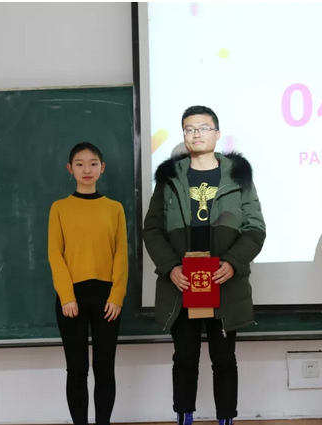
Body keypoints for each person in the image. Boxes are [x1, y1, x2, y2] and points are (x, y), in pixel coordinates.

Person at [143, 105, 266, 425]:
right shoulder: (169, 179)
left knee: (224, 359)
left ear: (217, 133)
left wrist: (233, 262)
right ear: (184, 135)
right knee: (184, 358)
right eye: (189, 129)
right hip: (182, 284)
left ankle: (226, 419)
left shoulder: (238, 176)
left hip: (224, 283)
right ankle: (185, 417)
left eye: (203, 127)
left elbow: (255, 229)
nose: (196, 134)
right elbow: (152, 229)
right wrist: (171, 267)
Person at [48, 142, 128, 425]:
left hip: (107, 298)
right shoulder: (59, 208)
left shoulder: (114, 208)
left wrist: (117, 295)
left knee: (104, 368)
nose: (87, 169)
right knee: (77, 369)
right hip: (72, 297)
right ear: (70, 169)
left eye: (93, 163)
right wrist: (67, 296)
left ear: (102, 168)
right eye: (79, 164)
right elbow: (55, 255)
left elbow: (121, 255)